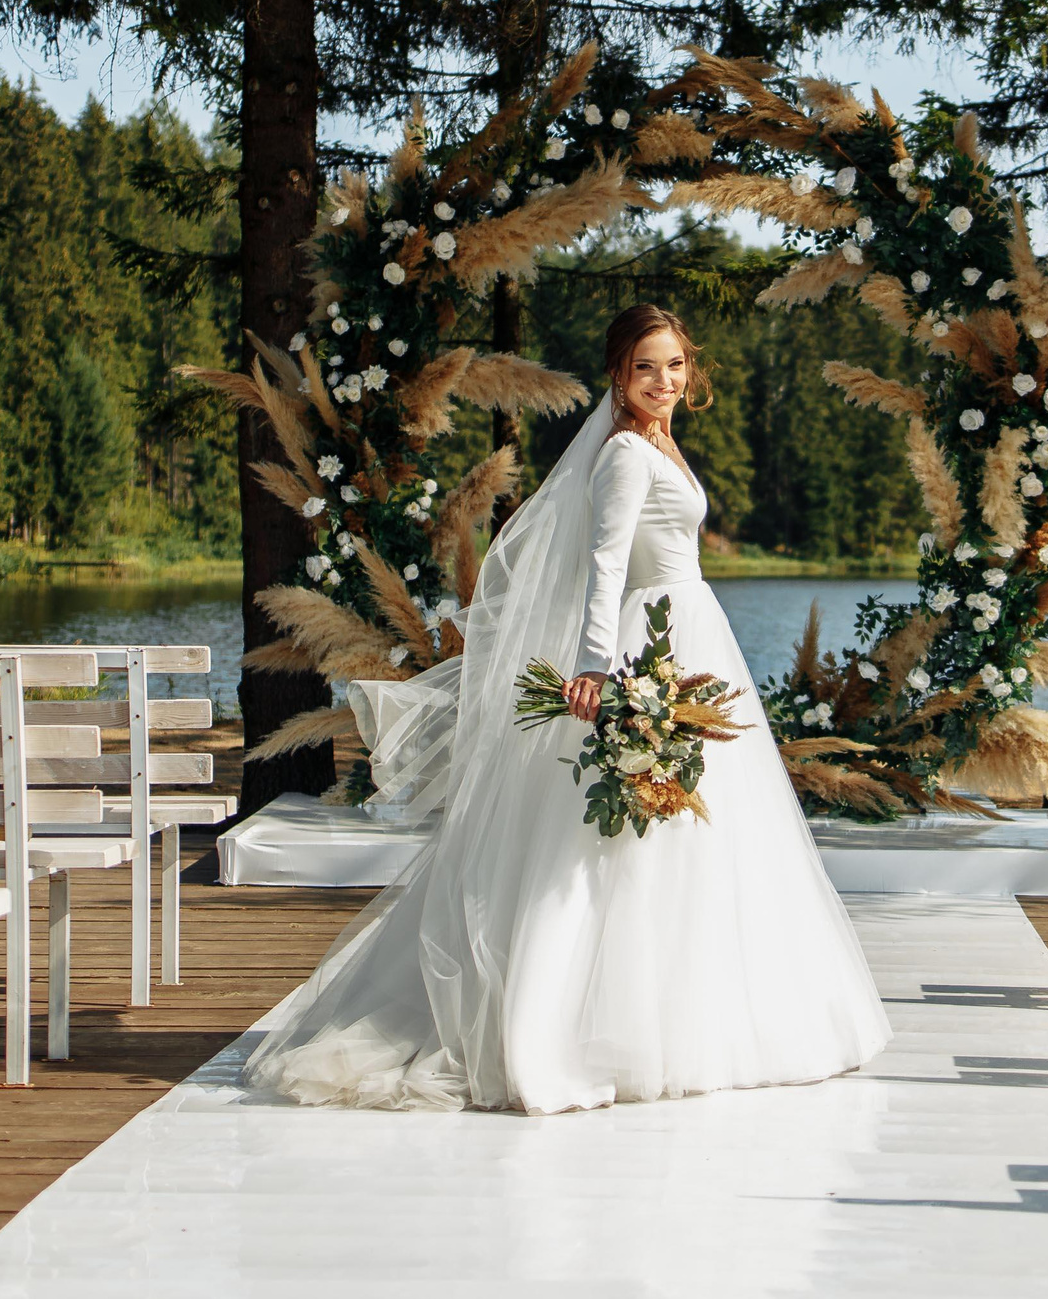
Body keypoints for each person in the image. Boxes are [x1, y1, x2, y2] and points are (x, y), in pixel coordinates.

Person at [245, 304, 892, 1113]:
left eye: (676, 365)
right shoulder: (623, 453)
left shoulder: (662, 442)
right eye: (647, 366)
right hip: (652, 643)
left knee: (701, 831)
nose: (664, 380)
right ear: (620, 373)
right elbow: (605, 566)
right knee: (627, 834)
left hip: (694, 637)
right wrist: (597, 667)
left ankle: (695, 1008)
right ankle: (589, 1022)